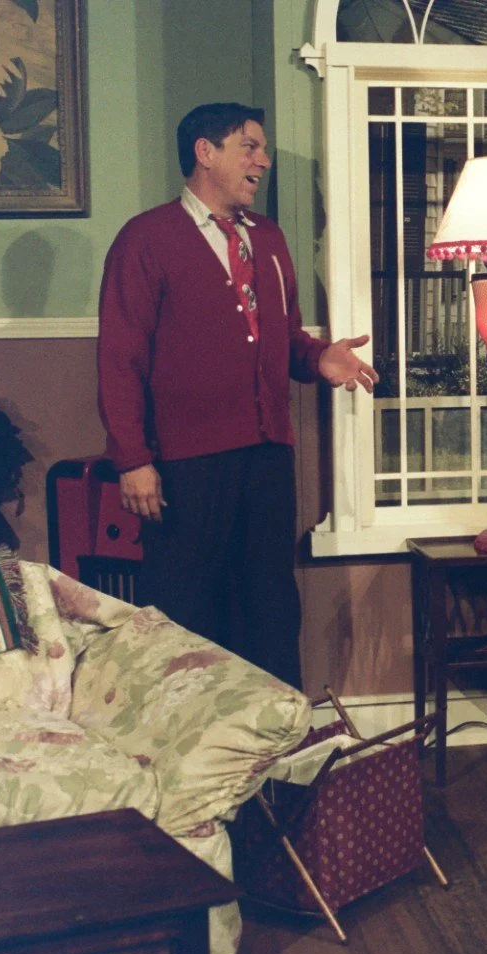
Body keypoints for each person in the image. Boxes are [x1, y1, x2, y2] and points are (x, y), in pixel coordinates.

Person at [96, 102, 377, 689]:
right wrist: (134, 459)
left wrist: (317, 356)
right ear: (205, 152)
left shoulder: (268, 239)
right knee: (183, 610)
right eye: (249, 146)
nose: (263, 160)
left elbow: (282, 335)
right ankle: (179, 752)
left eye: (263, 148)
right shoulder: (146, 239)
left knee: (271, 605)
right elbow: (120, 359)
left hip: (267, 454)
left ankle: (277, 755)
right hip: (183, 464)